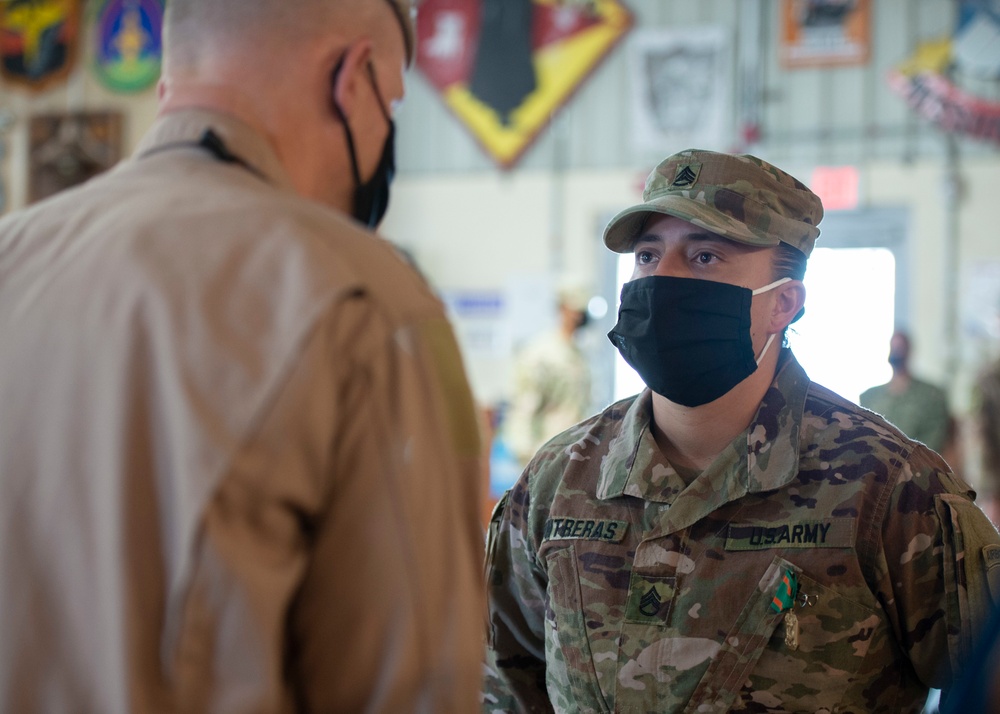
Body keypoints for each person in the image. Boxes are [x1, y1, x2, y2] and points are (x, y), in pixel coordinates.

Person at [0, 1, 485, 711]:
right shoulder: (372, 302)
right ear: (351, 79)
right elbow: (411, 683)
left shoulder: (14, 256)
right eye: (393, 103)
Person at [481, 149, 1000, 713]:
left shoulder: (889, 487)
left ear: (783, 305)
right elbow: (506, 686)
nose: (664, 281)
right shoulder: (560, 479)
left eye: (705, 256)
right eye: (649, 256)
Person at [503, 281, 593, 467]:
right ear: (562, 309)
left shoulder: (578, 355)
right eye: (575, 309)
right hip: (546, 456)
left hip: (574, 454)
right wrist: (527, 460)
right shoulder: (541, 353)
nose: (579, 316)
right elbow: (524, 408)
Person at [860, 330, 953, 456]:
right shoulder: (870, 397)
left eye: (900, 348)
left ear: (909, 351)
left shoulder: (931, 395)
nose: (896, 352)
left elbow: (934, 440)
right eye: (893, 348)